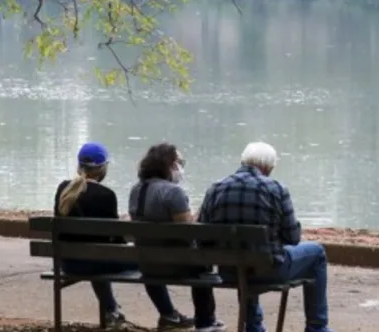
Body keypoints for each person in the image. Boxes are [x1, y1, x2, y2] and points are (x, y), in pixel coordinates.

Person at [53, 142, 192, 330]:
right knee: (145, 259)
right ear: (102, 168)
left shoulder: (63, 189)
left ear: (79, 165)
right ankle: (168, 314)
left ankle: (111, 311)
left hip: (67, 261)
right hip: (93, 262)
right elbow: (114, 240)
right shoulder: (106, 195)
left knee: (97, 254)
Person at [197, 141, 331, 332]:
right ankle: (317, 327)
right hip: (270, 271)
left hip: (228, 271)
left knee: (242, 255)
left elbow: (203, 237)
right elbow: (292, 237)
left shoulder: (215, 188)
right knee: (317, 253)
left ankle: (254, 326)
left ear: (243, 161)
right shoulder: (276, 188)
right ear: (268, 167)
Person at [128, 143, 225, 332]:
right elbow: (187, 232)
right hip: (177, 263)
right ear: (169, 164)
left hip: (147, 263)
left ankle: (167, 314)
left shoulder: (136, 190)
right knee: (203, 261)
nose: (181, 168)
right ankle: (205, 320)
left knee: (156, 257)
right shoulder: (173, 192)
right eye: (179, 162)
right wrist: (199, 215)